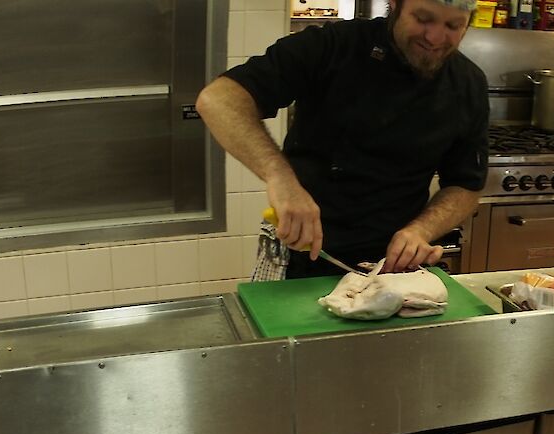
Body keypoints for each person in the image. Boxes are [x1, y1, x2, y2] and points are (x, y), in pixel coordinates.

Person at [198, 0, 489, 277]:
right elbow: (219, 100)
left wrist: (420, 231)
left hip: (395, 264)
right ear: (395, 5)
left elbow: (466, 185)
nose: (436, 37)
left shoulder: (468, 83)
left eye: (453, 25)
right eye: (423, 19)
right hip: (303, 251)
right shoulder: (333, 46)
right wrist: (280, 178)